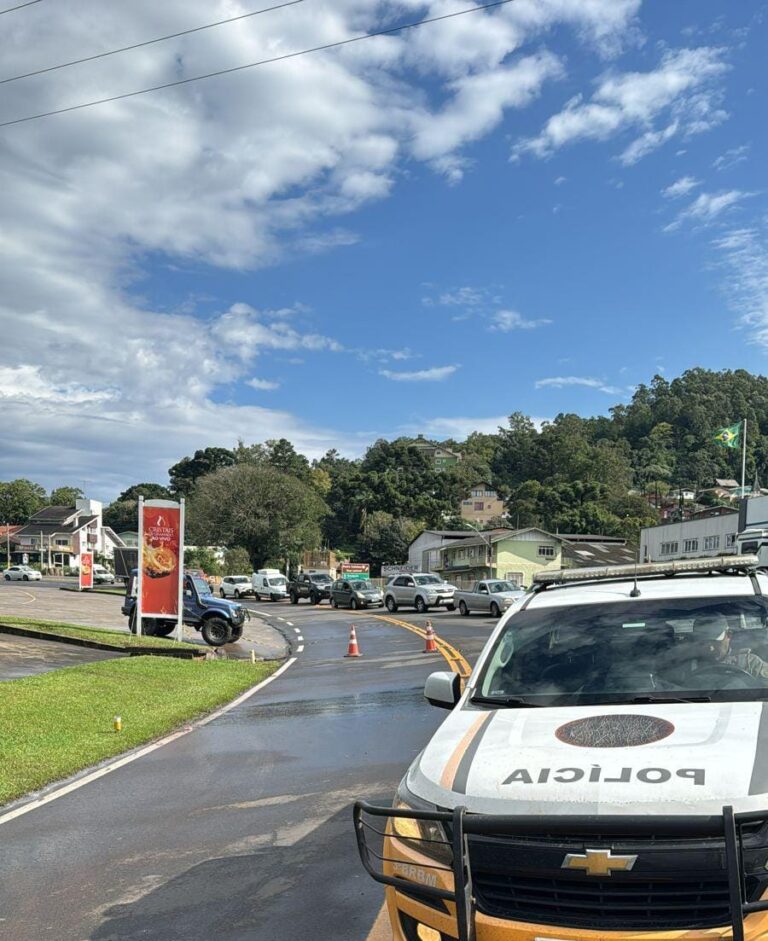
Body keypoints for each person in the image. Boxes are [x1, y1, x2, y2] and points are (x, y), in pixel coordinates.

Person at [689, 614, 768, 680]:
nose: (711, 648)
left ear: (729, 635)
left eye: (716, 642)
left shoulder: (751, 663)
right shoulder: (687, 667)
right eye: (704, 643)